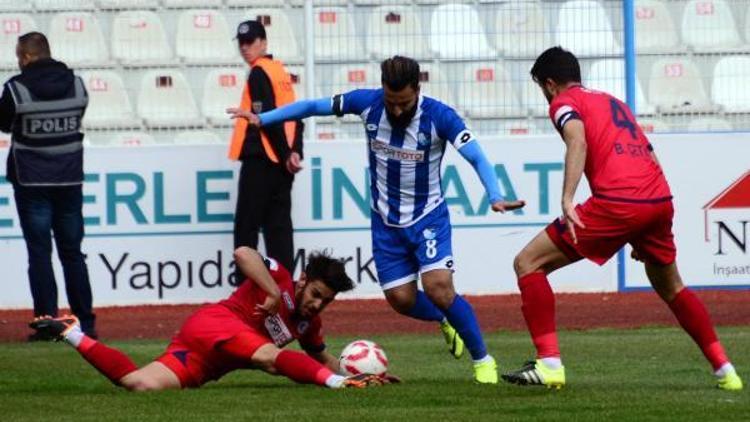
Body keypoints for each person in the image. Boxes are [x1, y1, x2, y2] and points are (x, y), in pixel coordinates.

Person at [229, 56, 526, 384]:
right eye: (391, 102)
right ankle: (446, 319)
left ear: (418, 90)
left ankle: (483, 361)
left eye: (404, 103)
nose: (397, 110)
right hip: (386, 223)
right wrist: (263, 118)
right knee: (401, 300)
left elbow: (476, 156)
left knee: (439, 288)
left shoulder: (440, 117)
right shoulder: (367, 103)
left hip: (428, 217)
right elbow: (312, 106)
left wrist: (495, 194)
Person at [501, 46, 743, 391]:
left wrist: (568, 199)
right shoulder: (614, 102)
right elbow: (652, 157)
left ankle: (549, 363)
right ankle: (726, 371)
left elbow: (577, 141)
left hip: (618, 201)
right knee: (673, 286)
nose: (545, 97)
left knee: (528, 263)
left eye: (542, 89)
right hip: (658, 198)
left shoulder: (563, 103)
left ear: (550, 84)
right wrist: (641, 225)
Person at [30, 248, 394, 390]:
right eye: (315, 294)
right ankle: (334, 388)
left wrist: (359, 373)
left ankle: (72, 333)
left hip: (209, 359)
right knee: (271, 359)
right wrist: (269, 291)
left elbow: (321, 357)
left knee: (139, 384)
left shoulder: (308, 324)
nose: (317, 305)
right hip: (216, 325)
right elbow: (243, 254)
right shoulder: (281, 277)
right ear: (302, 282)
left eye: (325, 302)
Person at [0, 32, 96, 341]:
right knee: (73, 253)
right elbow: (76, 116)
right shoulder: (77, 84)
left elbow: (3, 123)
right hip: (69, 178)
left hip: (31, 180)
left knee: (40, 253)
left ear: (26, 57)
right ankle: (86, 323)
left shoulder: (16, 89)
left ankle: (47, 322)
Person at [227, 20, 304, 275]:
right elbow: (296, 119)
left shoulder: (260, 72)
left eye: (250, 42)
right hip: (281, 165)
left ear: (263, 43)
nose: (245, 48)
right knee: (279, 229)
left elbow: (266, 120)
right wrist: (294, 153)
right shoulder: (278, 72)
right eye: (241, 43)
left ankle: (245, 291)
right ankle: (285, 292)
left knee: (246, 228)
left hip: (261, 160)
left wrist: (285, 156)